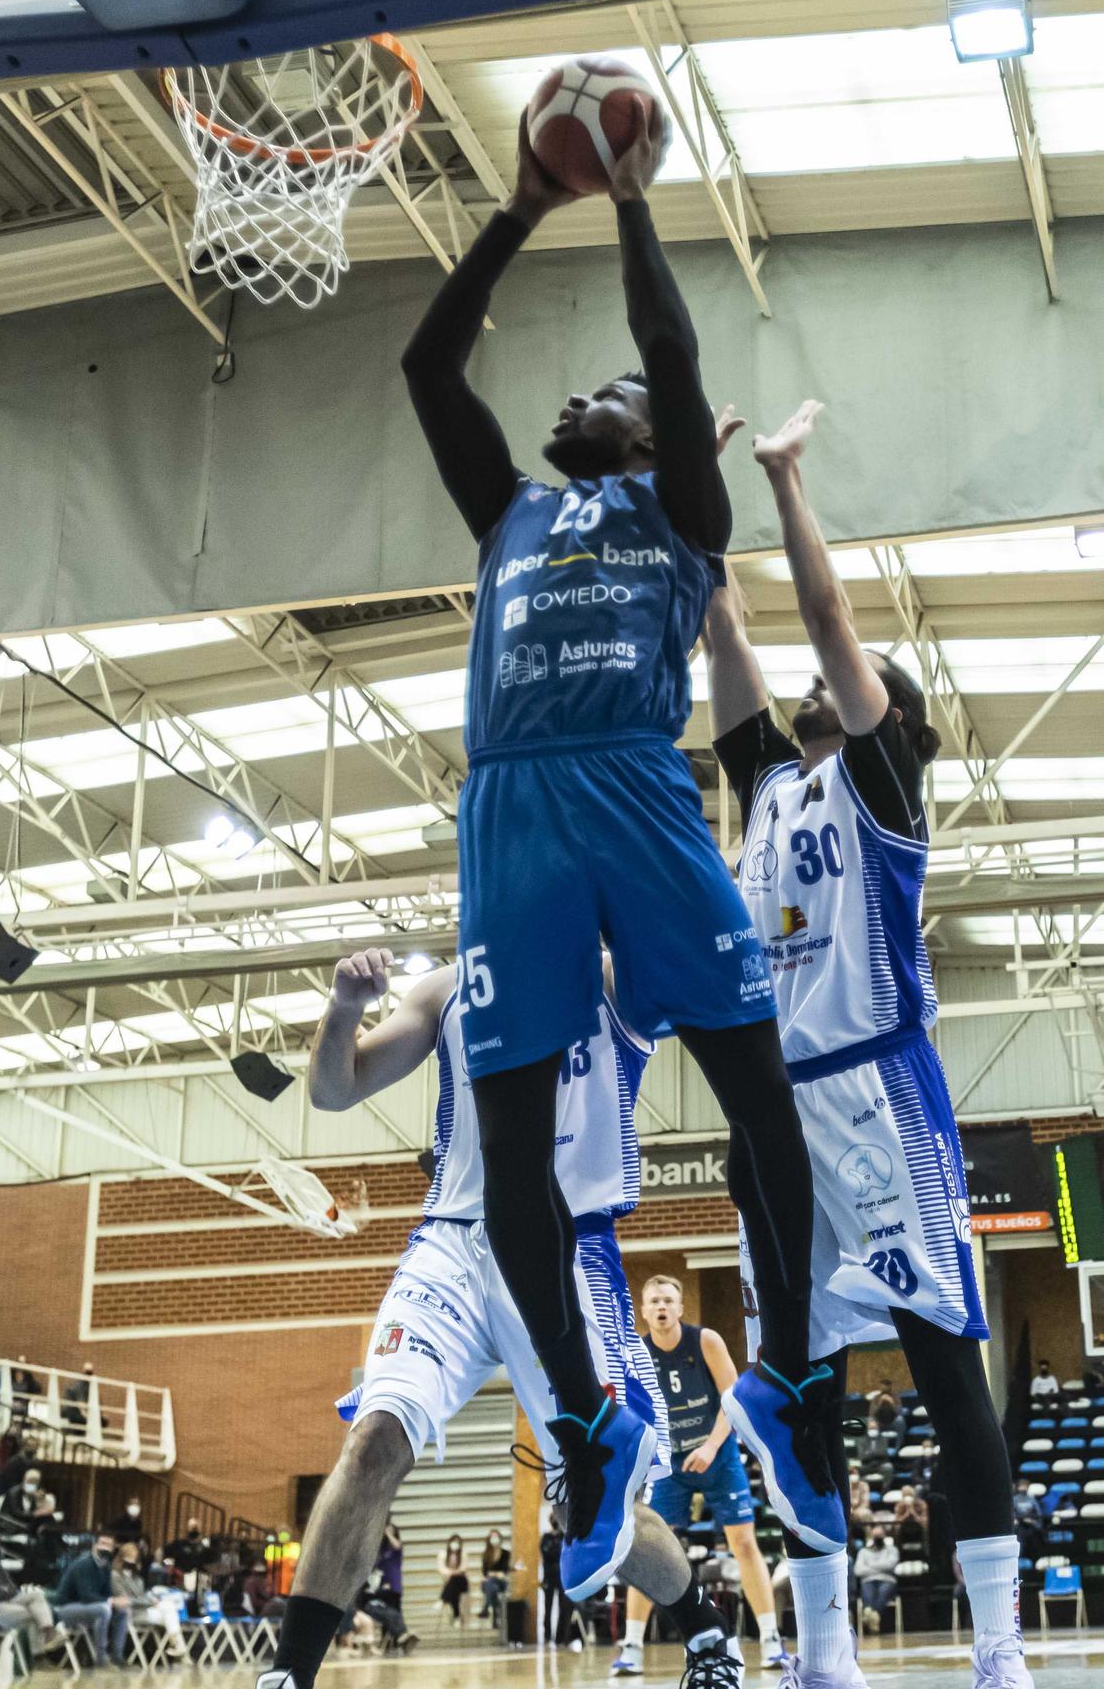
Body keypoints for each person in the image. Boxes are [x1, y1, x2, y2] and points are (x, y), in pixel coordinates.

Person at [398, 111, 842, 1592]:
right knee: (506, 1159)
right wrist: (522, 205)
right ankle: (594, 1429)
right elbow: (427, 369)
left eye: (624, 389)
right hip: (513, 809)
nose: (595, 387)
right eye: (588, 383)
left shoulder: (682, 513)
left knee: (760, 1104)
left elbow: (675, 350)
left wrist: (637, 199)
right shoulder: (510, 512)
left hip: (639, 797)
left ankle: (783, 1378)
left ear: (657, 438)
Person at [703, 396, 1029, 1689]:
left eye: (853, 689)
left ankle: (997, 1649)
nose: (822, 688)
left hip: (878, 1092)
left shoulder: (878, 787)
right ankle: (823, 1655)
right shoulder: (771, 787)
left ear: (888, 718)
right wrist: (689, 500)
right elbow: (721, 627)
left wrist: (784, 482)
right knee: (801, 1388)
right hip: (776, 1114)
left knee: (947, 1362)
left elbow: (829, 625)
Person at [255, 950, 744, 1689]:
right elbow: (332, 1090)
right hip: (452, 1240)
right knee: (373, 1440)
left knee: (593, 1491)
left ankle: (708, 1637)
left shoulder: (614, 974)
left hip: (567, 1243)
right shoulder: (446, 986)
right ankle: (288, 1675)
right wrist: (347, 1005)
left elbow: (715, 983)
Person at [617, 1274, 784, 1673]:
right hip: (669, 1463)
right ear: (643, 1310)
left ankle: (771, 1638)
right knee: (648, 1548)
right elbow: (633, 1413)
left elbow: (734, 1399)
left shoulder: (705, 1340)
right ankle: (631, 1647)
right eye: (654, 1300)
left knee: (743, 1543)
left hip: (717, 1452)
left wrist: (710, 1446)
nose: (661, 1307)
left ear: (680, 1307)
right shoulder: (637, 1352)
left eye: (668, 1300)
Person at [0, 1529, 66, 1663]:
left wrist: (1, 1591)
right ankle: (39, 1655)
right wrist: (2, 1591)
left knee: (36, 1595)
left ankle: (49, 1634)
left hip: (7, 1603)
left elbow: (12, 1589)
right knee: (31, 1613)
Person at [52, 1532, 119, 1666]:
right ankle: (101, 1659)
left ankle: (117, 1656)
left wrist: (113, 1601)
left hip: (86, 1607)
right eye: (102, 1543)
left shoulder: (105, 1566)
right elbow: (86, 1596)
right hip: (64, 1608)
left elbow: (107, 1593)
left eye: (109, 1545)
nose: (105, 1548)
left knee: (122, 1611)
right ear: (94, 1546)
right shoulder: (83, 1563)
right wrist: (110, 1601)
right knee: (104, 1610)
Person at [111, 1541, 187, 1660]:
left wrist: (150, 1599)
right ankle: (179, 1647)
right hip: (131, 1613)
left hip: (144, 1611)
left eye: (134, 1558)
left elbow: (140, 1596)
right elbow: (126, 1600)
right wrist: (150, 1602)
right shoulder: (115, 1576)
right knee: (168, 1609)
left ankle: (178, 1646)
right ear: (122, 1557)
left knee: (168, 1608)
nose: (131, 1561)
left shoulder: (137, 1578)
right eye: (129, 1557)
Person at [540, 1516, 580, 1649]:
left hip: (562, 1576)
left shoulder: (564, 1537)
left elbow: (566, 1553)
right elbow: (547, 1553)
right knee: (548, 1607)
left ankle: (561, 1637)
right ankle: (547, 1636)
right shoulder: (546, 1538)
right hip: (549, 1577)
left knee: (564, 1606)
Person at [853, 1528, 899, 1632]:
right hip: (868, 1581)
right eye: (875, 1536)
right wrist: (881, 1568)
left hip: (887, 1580)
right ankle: (874, 1617)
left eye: (880, 1535)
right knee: (868, 1593)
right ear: (871, 1537)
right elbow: (858, 1571)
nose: (878, 1538)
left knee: (883, 1592)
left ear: (884, 1536)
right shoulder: (863, 1552)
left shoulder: (892, 1550)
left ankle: (870, 1615)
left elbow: (891, 1565)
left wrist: (869, 1566)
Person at [477, 1530, 510, 1621]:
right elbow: (485, 1572)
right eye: (492, 1537)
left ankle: (487, 1607)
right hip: (489, 1583)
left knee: (492, 1584)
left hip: (501, 1582)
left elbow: (504, 1570)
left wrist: (493, 1574)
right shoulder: (486, 1554)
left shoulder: (506, 1553)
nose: (494, 1539)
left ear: (500, 1539)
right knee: (493, 1587)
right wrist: (493, 1574)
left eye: (496, 1537)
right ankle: (494, 1614)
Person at [436, 1537, 467, 1625]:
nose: (455, 1545)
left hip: (462, 1581)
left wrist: (452, 1573)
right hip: (450, 1583)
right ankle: (457, 1617)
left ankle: (442, 1599)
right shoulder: (443, 1554)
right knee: (454, 1593)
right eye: (453, 1542)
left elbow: (463, 1568)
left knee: (454, 1580)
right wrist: (452, 1572)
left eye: (457, 1543)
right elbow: (441, 1568)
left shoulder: (463, 1554)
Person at [376, 1519, 403, 1613]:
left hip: (394, 1584)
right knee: (385, 1611)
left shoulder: (396, 1546)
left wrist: (389, 1534)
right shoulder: (382, 1547)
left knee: (394, 1610)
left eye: (391, 1529)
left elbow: (397, 1546)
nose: (387, 1530)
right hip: (382, 1584)